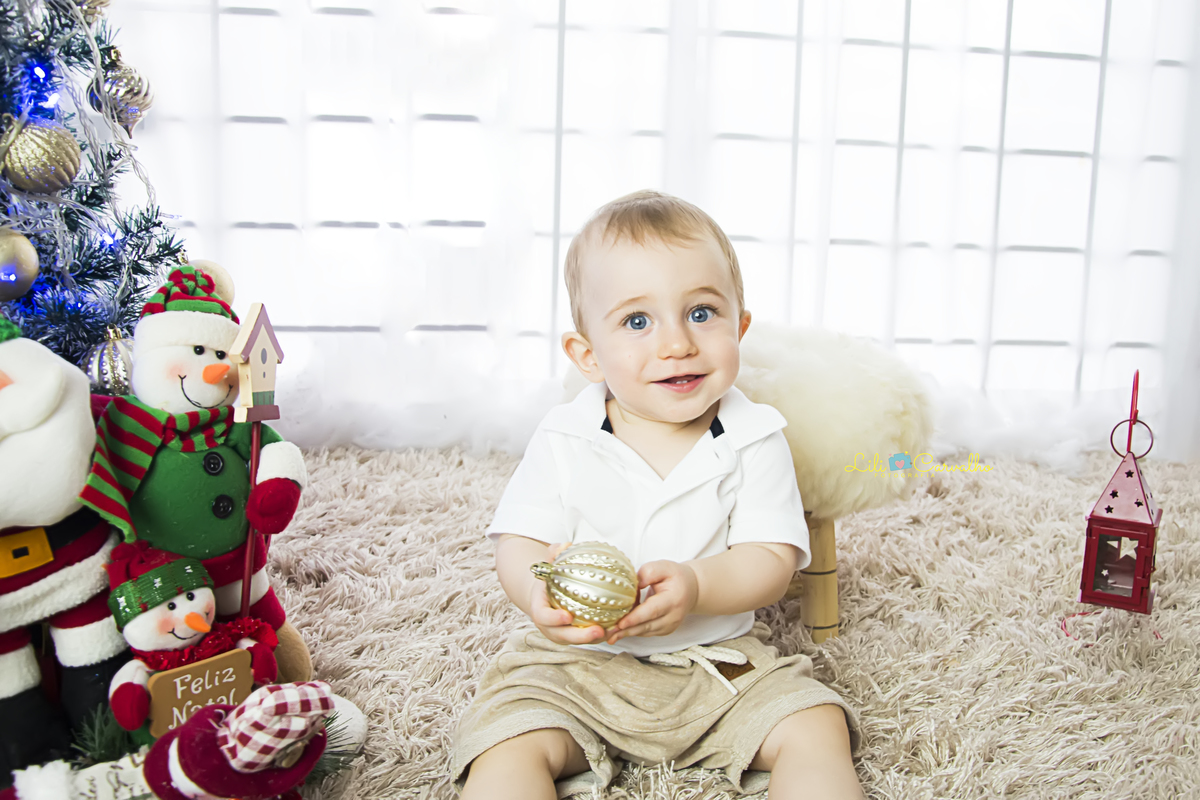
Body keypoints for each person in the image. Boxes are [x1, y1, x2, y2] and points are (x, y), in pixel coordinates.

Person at [451, 190, 862, 799]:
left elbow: (769, 561)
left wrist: (697, 586)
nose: (677, 344)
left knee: (816, 723)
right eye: (637, 322)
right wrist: (538, 594)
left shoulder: (755, 436)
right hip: (577, 667)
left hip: (717, 664)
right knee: (507, 737)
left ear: (740, 327)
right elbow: (520, 539)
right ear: (587, 355)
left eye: (701, 313)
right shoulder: (566, 434)